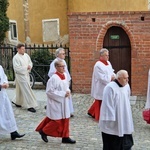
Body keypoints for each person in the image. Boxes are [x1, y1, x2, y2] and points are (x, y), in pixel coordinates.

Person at [35, 60, 76, 144]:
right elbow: (49, 92)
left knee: (65, 119)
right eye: (61, 66)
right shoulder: (53, 78)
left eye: (64, 66)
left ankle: (65, 137)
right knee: (57, 121)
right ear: (56, 67)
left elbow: (66, 86)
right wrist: (63, 94)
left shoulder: (64, 75)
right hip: (56, 102)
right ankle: (44, 131)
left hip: (64, 101)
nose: (63, 68)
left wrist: (68, 91)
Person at [99, 70, 134, 150]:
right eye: (125, 78)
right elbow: (107, 105)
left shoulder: (127, 86)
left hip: (124, 116)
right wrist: (111, 120)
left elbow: (127, 99)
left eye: (127, 78)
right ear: (118, 79)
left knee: (125, 139)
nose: (127, 80)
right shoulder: (110, 87)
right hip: (113, 121)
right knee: (113, 143)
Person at [87, 48, 115, 121]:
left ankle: (91, 112)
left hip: (108, 84)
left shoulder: (108, 63)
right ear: (101, 56)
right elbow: (100, 77)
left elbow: (111, 71)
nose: (107, 57)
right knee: (100, 100)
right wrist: (110, 78)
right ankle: (98, 115)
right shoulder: (98, 65)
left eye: (108, 55)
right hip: (101, 85)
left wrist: (114, 76)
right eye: (106, 55)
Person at [0, 65, 25, 140]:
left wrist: (6, 83)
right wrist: (1, 86)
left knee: (8, 112)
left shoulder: (0, 67)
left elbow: (4, 76)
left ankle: (13, 131)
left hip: (2, 94)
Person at [48, 48, 74, 117]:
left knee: (67, 97)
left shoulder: (63, 61)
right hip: (58, 85)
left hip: (64, 82)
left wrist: (67, 79)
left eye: (64, 53)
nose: (64, 55)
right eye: (62, 54)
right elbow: (51, 73)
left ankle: (69, 111)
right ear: (57, 55)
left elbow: (66, 71)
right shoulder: (54, 63)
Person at [12, 43, 38, 113]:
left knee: (21, 89)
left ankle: (17, 101)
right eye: (22, 49)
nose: (24, 50)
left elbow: (30, 62)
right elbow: (17, 68)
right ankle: (30, 105)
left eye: (24, 49)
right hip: (20, 76)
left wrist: (30, 66)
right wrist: (26, 68)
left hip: (26, 75)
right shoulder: (16, 58)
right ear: (18, 49)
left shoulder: (26, 55)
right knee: (27, 89)